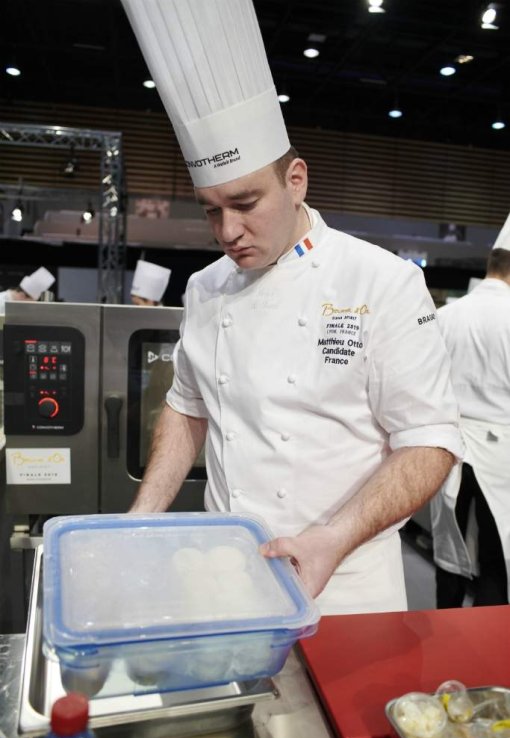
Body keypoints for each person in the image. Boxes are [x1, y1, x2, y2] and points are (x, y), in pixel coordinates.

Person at [124, 0, 463, 615]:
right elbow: (187, 408)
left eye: (246, 202)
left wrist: (332, 538)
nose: (227, 230)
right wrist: (142, 516)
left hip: (346, 587)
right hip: (226, 577)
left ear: (297, 180)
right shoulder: (205, 287)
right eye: (210, 208)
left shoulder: (380, 281)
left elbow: (429, 442)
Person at [431, 221, 510, 608]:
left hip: (452, 449)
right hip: (502, 456)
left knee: (450, 546)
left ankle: (443, 630)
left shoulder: (448, 316)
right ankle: (486, 644)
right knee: (496, 555)